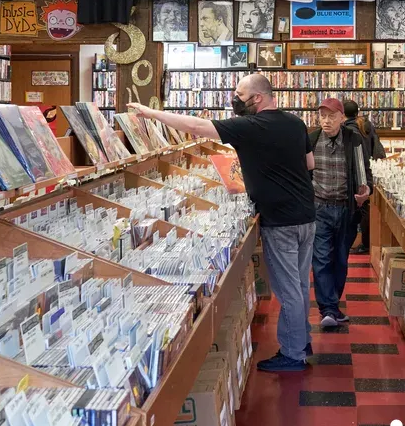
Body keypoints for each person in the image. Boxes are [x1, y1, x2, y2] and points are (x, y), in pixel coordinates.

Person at [128, 74, 316, 373]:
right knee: (300, 283)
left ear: (256, 98)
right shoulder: (295, 123)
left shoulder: (251, 126)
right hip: (306, 215)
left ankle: (293, 354)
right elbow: (309, 165)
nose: (235, 99)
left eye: (239, 94)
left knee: (288, 289)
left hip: (280, 219)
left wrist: (150, 114)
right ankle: (302, 340)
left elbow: (195, 126)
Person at [309, 99, 371, 327]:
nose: (326, 121)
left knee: (341, 260)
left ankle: (332, 305)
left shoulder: (354, 139)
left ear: (342, 118)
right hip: (320, 208)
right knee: (322, 258)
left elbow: (363, 171)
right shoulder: (312, 140)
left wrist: (365, 191)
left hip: (346, 208)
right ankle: (328, 309)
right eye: (322, 116)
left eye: (331, 116)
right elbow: (304, 173)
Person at [342, 99, 384, 254]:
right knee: (365, 208)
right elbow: (377, 149)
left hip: (355, 174)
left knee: (357, 209)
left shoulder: (346, 130)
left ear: (343, 114)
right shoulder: (366, 125)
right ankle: (365, 242)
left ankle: (361, 242)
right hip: (369, 171)